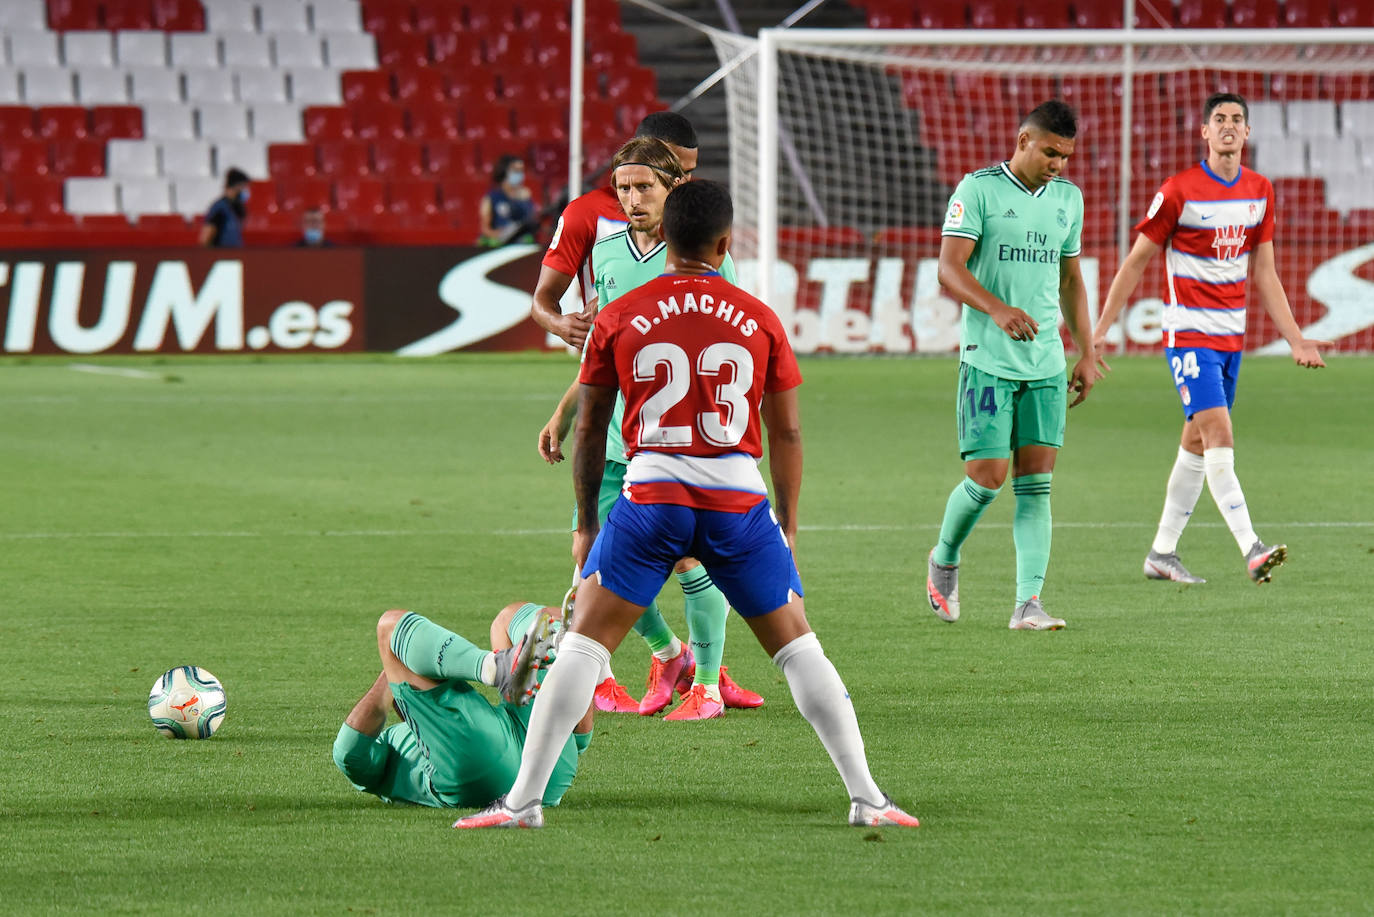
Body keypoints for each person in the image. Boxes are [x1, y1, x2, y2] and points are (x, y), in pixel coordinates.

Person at [454, 180, 919, 830]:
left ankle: (523, 800)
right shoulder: (759, 317)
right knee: (798, 649)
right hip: (736, 500)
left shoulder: (621, 312)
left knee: (584, 645)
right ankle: (868, 797)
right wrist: (786, 524)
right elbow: (786, 433)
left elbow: (590, 427)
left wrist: (588, 522)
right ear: (726, 244)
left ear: (663, 240)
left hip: (652, 497)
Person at [541, 137, 763, 721]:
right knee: (596, 562)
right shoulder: (607, 254)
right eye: (623, 189)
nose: (632, 199)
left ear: (672, 190)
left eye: (643, 188)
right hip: (614, 441)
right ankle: (669, 654)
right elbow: (604, 356)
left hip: (676, 443)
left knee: (692, 563)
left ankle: (707, 685)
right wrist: (563, 414)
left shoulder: (714, 261)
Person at [1091, 92, 1330, 585]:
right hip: (1188, 334)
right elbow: (1136, 262)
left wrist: (1296, 339)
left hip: (1231, 338)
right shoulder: (1179, 190)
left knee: (1197, 443)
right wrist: (1098, 332)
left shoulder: (1260, 190)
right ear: (1204, 132)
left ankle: (1162, 553)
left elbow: (1265, 271)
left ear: (1248, 133)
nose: (1228, 126)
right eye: (1219, 119)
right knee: (1219, 433)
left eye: (1237, 119)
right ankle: (1253, 548)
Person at [926, 100, 1100, 632]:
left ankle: (1028, 604)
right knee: (987, 480)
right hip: (988, 360)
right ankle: (944, 558)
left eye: (1066, 156)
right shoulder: (978, 189)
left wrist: (1087, 351)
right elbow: (948, 270)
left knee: (1037, 484)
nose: (1058, 164)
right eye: (1050, 152)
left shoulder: (1068, 200)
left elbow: (1071, 279)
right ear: (1024, 138)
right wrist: (996, 310)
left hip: (1045, 363)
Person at [332, 600, 593, 810]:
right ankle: (576, 645)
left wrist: (400, 668)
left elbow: (348, 752)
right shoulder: (395, 742)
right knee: (390, 629)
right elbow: (580, 733)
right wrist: (392, 666)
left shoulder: (404, 741)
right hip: (544, 761)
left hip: (536, 765)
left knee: (506, 620)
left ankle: (555, 651)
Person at [529, 111, 700, 350]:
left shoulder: (699, 215)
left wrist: (622, 299)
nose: (683, 182)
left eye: (688, 172)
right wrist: (559, 324)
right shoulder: (585, 213)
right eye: (675, 170)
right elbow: (543, 297)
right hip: (608, 363)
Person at [479, 154, 536, 247]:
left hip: (520, 244)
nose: (520, 174)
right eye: (516, 171)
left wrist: (524, 201)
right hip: (498, 244)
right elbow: (485, 228)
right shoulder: (491, 198)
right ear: (504, 172)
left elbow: (532, 223)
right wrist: (499, 235)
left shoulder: (525, 197)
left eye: (521, 171)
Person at [199, 167, 250, 248]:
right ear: (236, 186)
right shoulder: (220, 208)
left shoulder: (235, 207)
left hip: (234, 256)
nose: (246, 191)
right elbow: (205, 238)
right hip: (223, 257)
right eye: (244, 187)